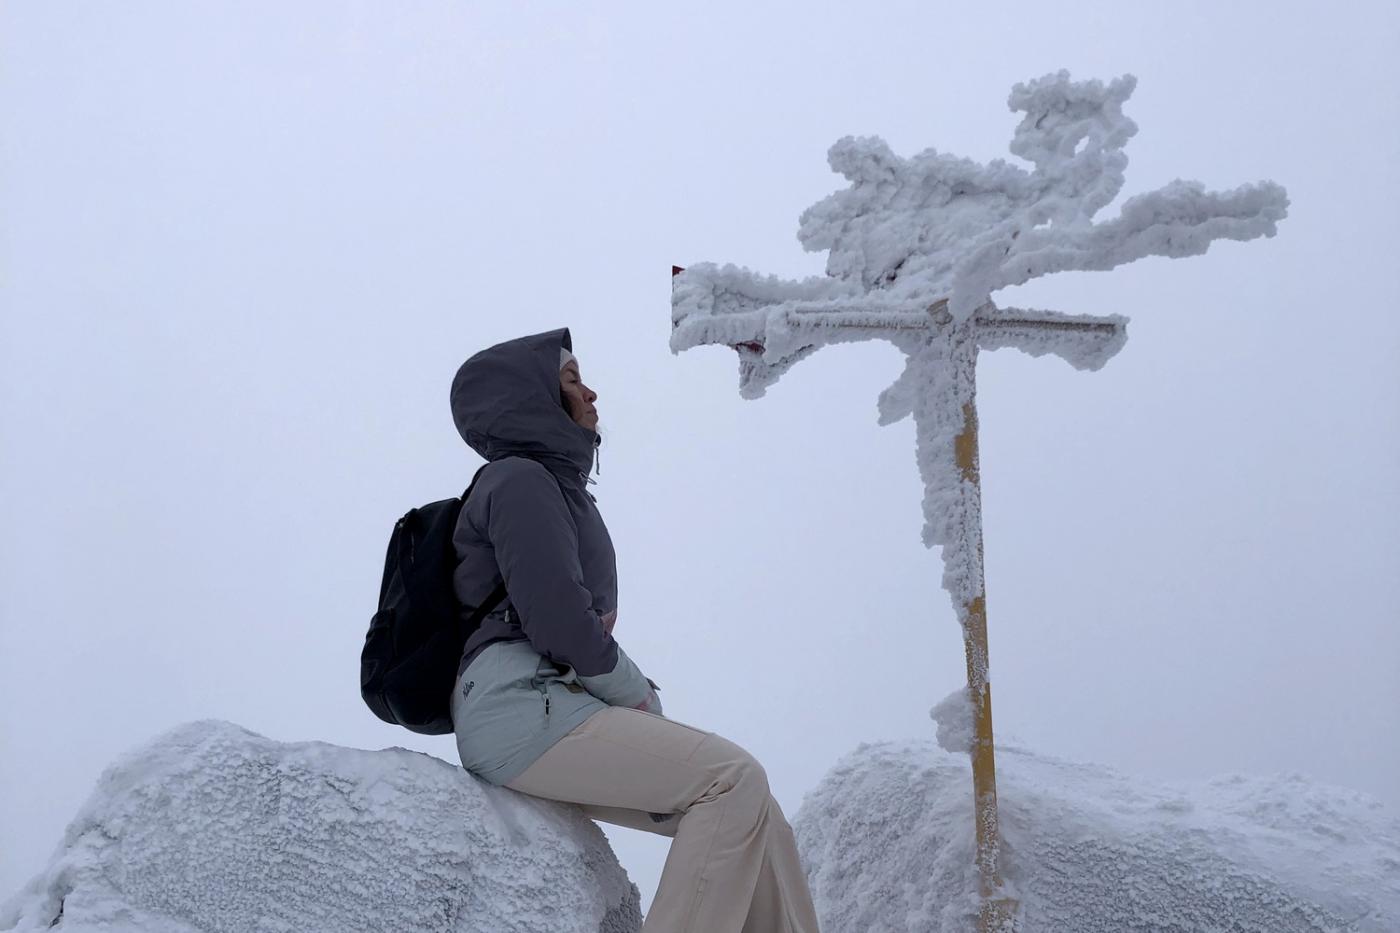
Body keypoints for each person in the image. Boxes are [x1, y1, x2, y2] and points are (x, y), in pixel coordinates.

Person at [447, 328, 821, 933]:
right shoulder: (520, 480)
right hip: (519, 710)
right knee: (731, 780)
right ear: (531, 398)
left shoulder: (554, 487)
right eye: (570, 381)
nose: (591, 392)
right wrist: (638, 694)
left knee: (759, 814)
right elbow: (559, 623)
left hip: (549, 706)